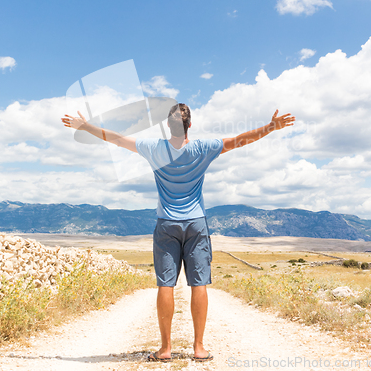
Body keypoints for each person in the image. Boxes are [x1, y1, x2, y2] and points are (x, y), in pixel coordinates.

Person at [61, 103, 295, 362]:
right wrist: (272, 127)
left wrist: (84, 126)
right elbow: (240, 140)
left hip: (166, 224)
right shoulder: (203, 148)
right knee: (199, 284)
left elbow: (115, 138)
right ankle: (199, 348)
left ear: (167, 126)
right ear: (189, 125)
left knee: (166, 285)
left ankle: (165, 349)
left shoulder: (154, 148)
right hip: (196, 224)